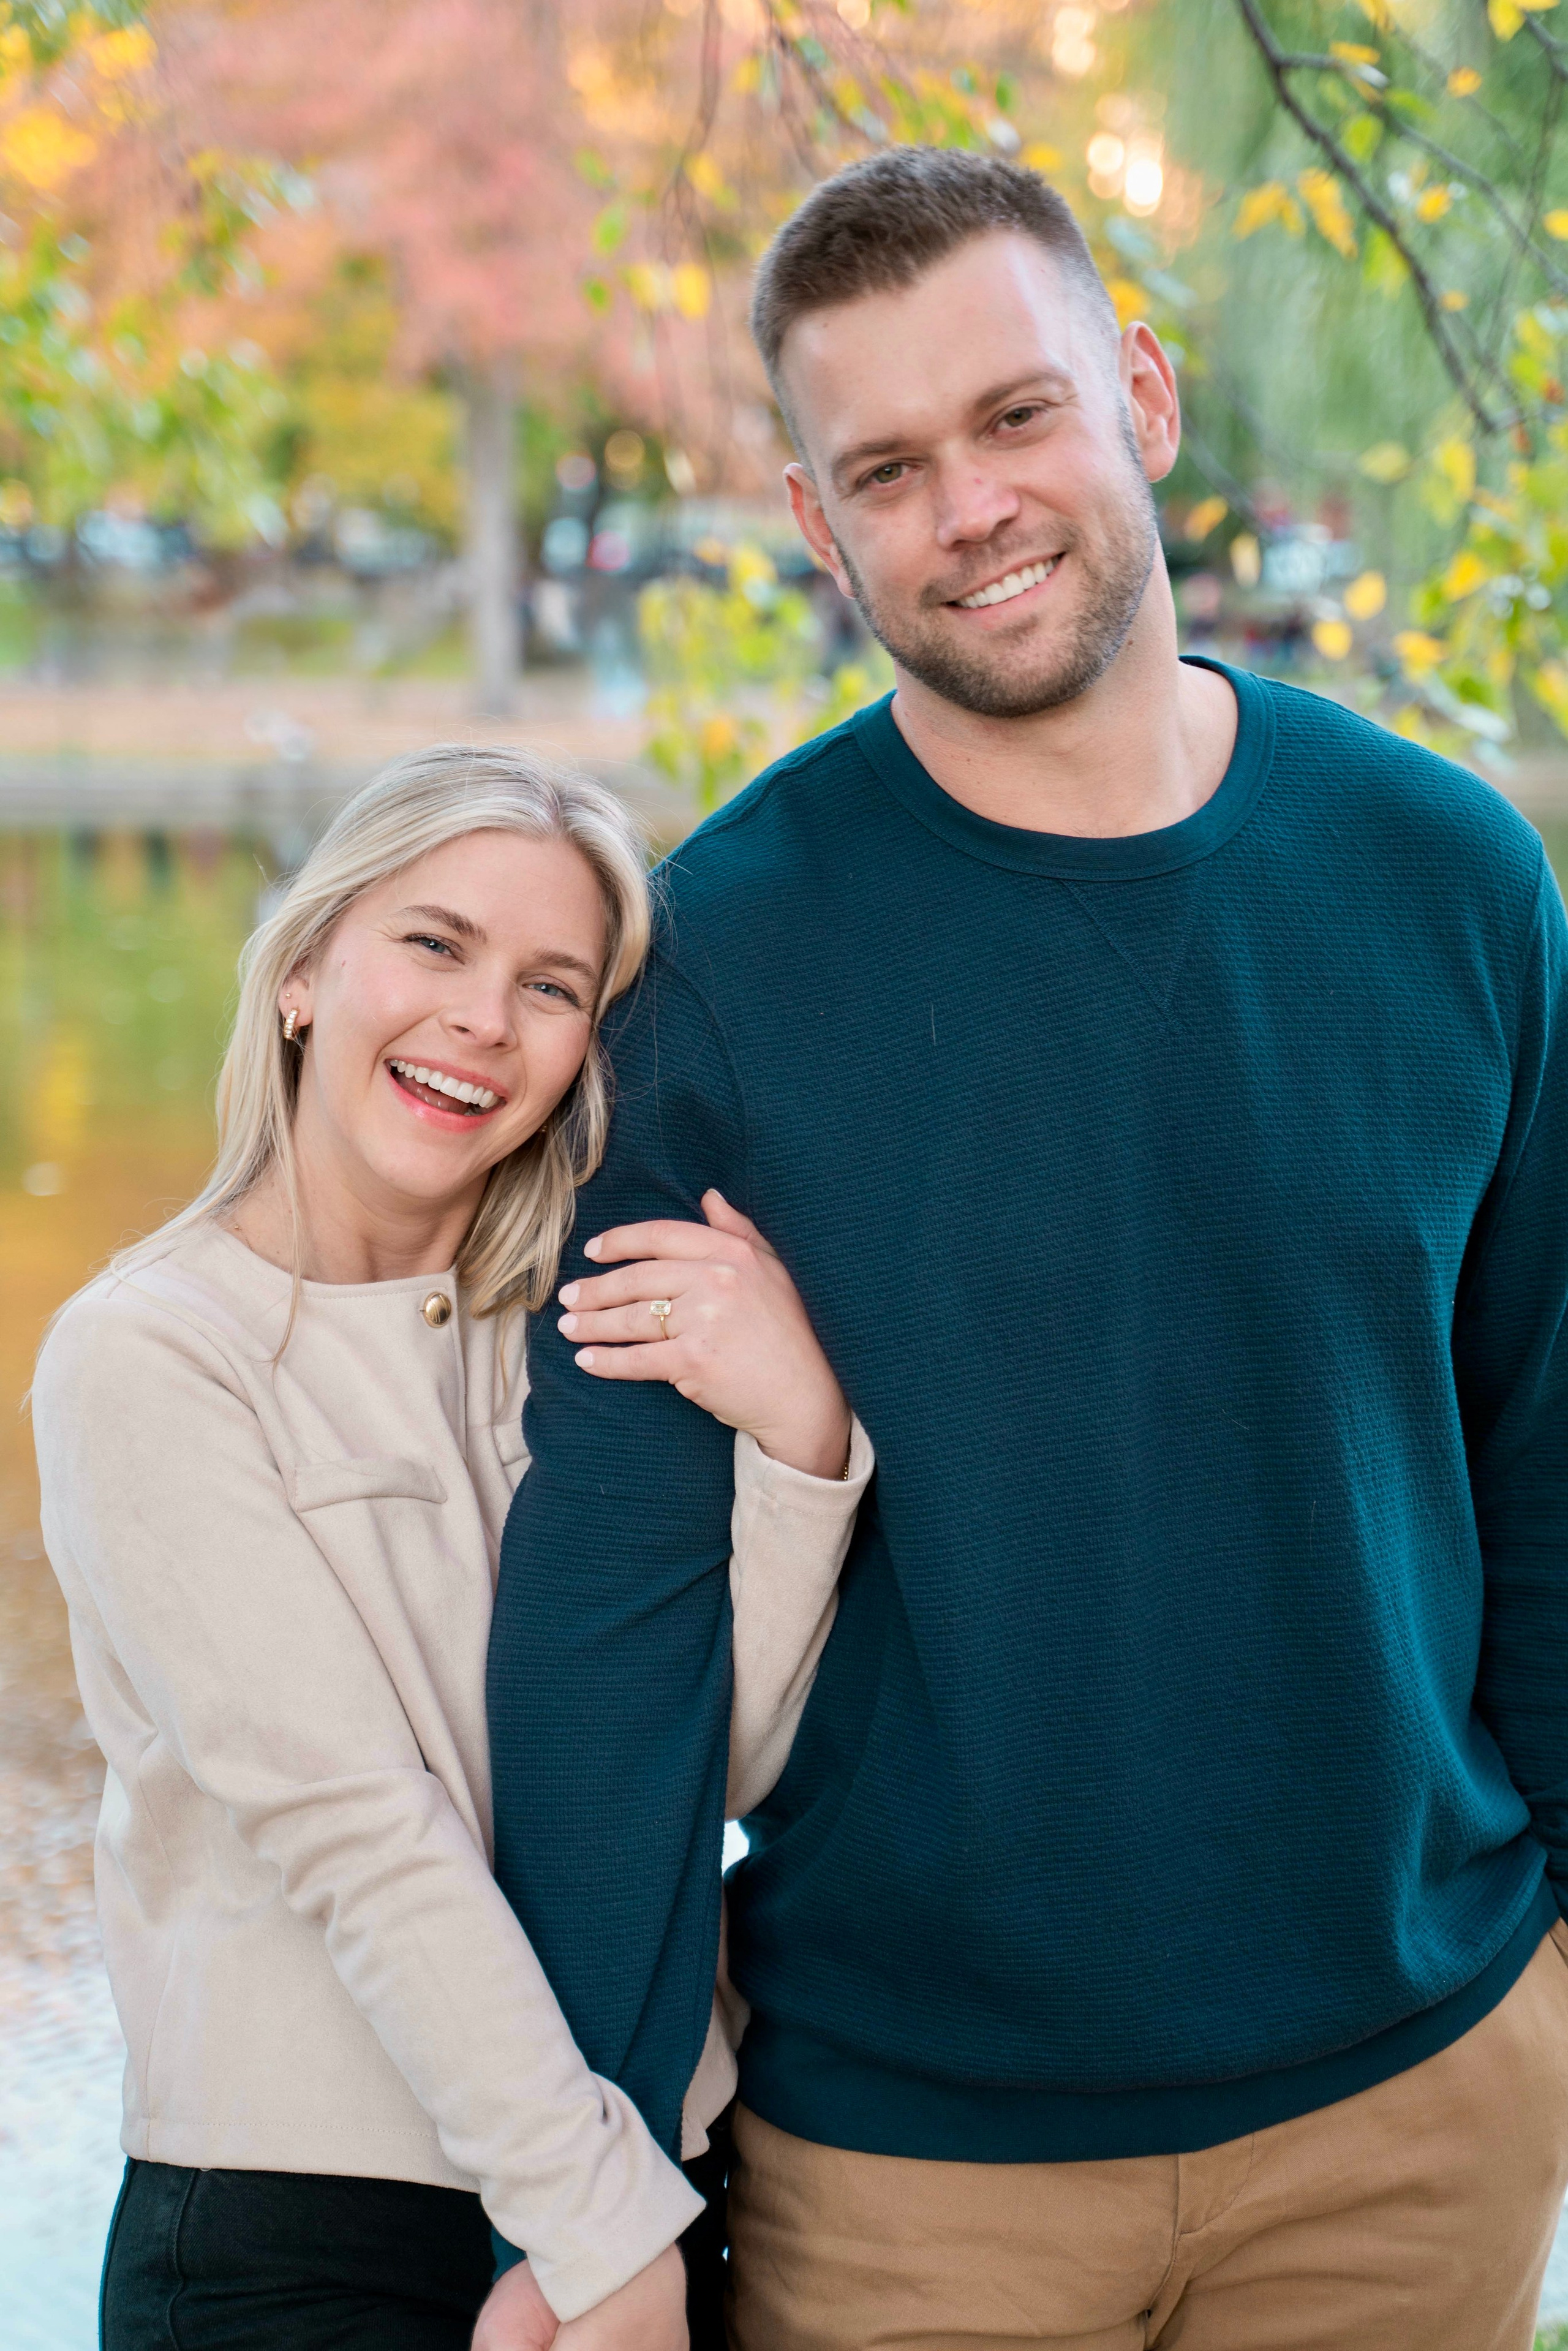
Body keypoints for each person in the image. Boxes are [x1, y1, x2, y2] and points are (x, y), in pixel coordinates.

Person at [486, 148, 1568, 2351]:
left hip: (1420, 2118)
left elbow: (1546, 1451)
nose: (968, 505)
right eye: (884, 466)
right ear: (816, 526)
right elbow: (612, 1622)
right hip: (912, 2175)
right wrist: (578, 2194)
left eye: (1017, 416)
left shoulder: (1452, 882)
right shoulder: (719, 973)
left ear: (1143, 400)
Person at [31, 744, 871, 2351]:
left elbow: (721, 1762)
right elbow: (357, 1826)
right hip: (310, 2232)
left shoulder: (596, 1322)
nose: (484, 1018)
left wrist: (801, 1437)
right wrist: (600, 2238)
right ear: (299, 973)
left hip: (653, 2163)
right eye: (435, 944)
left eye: (552, 985)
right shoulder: (153, 1355)